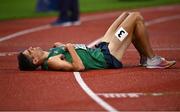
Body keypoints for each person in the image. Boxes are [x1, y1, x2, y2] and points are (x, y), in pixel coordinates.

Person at [17, 12, 176, 71]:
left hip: (100, 48)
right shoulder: (51, 61)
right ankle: (152, 59)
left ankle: (145, 58)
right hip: (107, 56)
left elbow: (63, 54)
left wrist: (60, 46)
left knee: (126, 15)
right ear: (35, 60)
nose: (31, 47)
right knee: (136, 17)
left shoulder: (51, 53)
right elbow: (78, 67)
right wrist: (70, 48)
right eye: (30, 52)